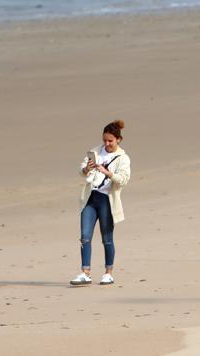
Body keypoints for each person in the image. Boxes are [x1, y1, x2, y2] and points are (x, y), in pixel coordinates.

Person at [71, 119, 132, 287]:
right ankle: (85, 272)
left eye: (110, 141)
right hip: (90, 198)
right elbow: (81, 170)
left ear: (118, 140)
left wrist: (108, 173)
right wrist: (87, 168)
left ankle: (108, 273)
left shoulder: (123, 158)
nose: (107, 143)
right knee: (85, 237)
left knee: (107, 239)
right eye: (105, 140)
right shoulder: (95, 151)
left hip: (107, 201)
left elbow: (123, 180)